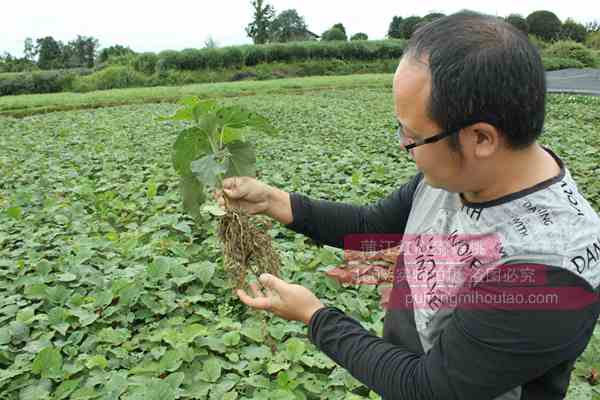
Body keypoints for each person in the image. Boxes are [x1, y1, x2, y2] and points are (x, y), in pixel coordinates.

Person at [215, 12, 600, 400]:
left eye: (412, 135)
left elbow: (427, 387)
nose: (403, 144)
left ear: (481, 138)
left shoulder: (550, 271)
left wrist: (315, 317)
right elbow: (372, 225)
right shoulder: (465, 172)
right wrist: (272, 201)